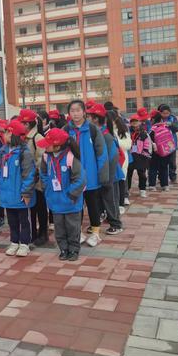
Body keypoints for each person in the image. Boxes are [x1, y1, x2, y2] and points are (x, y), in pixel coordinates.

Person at [65, 100, 109, 247]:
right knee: (76, 206)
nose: (75, 113)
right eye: (72, 110)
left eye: (78, 110)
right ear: (69, 113)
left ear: (84, 112)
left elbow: (101, 153)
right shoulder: (65, 130)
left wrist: (102, 174)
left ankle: (96, 233)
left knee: (93, 205)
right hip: (73, 177)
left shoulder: (93, 129)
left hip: (91, 176)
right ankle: (77, 232)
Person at [39, 129, 86, 261]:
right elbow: (43, 173)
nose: (44, 146)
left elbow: (80, 179)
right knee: (59, 228)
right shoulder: (46, 157)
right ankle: (63, 249)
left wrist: (71, 195)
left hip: (71, 201)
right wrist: (46, 187)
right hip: (55, 200)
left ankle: (74, 249)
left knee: (73, 227)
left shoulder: (71, 158)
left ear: (57, 146)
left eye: (47, 143)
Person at [0, 120, 36, 257]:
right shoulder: (3, 151)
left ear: (14, 135)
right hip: (6, 193)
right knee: (12, 220)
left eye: (7, 132)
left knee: (24, 220)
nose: (4, 135)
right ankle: (14, 242)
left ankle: (24, 243)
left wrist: (26, 192)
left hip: (20, 194)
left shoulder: (24, 153)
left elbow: (29, 174)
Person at [87, 104, 123, 235]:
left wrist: (108, 177)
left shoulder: (105, 136)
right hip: (102, 173)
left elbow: (113, 156)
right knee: (102, 200)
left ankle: (116, 224)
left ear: (96, 119)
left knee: (110, 199)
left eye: (89, 116)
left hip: (109, 174)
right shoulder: (98, 132)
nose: (87, 118)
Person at [18, 109, 48, 246]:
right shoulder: (23, 137)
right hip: (28, 179)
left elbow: (42, 159)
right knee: (32, 208)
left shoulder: (38, 138)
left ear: (29, 124)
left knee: (41, 207)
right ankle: (33, 232)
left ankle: (43, 233)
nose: (22, 125)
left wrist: (34, 171)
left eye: (24, 123)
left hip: (38, 180)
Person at [148, 110, 175, 192]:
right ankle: (165, 185)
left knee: (153, 168)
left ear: (152, 120)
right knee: (164, 168)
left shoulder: (152, 130)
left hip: (155, 153)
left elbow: (149, 142)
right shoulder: (166, 127)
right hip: (166, 152)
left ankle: (152, 185)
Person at [127, 114, 152, 198]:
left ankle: (142, 190)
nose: (134, 123)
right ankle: (127, 190)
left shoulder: (143, 133)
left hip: (141, 156)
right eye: (132, 121)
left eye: (136, 121)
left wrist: (145, 154)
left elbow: (147, 144)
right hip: (130, 155)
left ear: (140, 122)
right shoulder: (127, 132)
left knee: (142, 174)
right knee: (128, 173)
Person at [112, 114, 132, 214]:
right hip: (112, 161)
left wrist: (116, 142)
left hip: (121, 160)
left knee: (121, 181)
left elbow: (128, 145)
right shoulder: (107, 131)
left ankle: (121, 203)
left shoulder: (122, 132)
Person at [157, 104, 178, 184]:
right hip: (161, 144)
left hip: (171, 143)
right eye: (163, 113)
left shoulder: (173, 118)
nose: (165, 115)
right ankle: (161, 177)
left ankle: (173, 177)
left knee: (172, 162)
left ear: (170, 112)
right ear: (160, 113)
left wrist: (171, 124)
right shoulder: (157, 118)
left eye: (167, 113)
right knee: (161, 161)